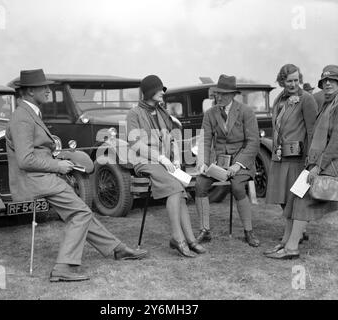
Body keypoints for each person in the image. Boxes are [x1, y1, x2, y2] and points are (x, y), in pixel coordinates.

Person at [6, 69, 147, 282]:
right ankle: (63, 267)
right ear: (28, 91)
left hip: (41, 177)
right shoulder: (23, 118)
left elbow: (35, 151)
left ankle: (117, 249)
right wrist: (58, 165)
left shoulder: (29, 113)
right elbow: (25, 160)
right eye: (43, 87)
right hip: (35, 179)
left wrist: (61, 156)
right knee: (80, 214)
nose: (48, 90)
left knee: (80, 212)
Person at [126, 75, 206, 258]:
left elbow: (172, 138)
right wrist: (161, 157)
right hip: (144, 162)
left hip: (165, 162)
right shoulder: (134, 114)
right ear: (149, 92)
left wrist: (176, 158)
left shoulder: (162, 112)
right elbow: (135, 144)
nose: (163, 92)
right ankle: (178, 239)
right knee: (175, 188)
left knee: (182, 193)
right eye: (159, 89)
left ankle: (191, 239)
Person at [195, 74, 260, 247]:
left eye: (223, 94)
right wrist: (203, 163)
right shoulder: (210, 114)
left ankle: (248, 232)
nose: (219, 97)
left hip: (241, 163)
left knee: (238, 187)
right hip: (218, 164)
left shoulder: (246, 112)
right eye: (217, 93)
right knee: (200, 185)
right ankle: (205, 230)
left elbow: (253, 142)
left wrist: (237, 165)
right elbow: (205, 140)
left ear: (233, 94)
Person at [264, 64, 318, 259]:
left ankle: (290, 242)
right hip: (280, 156)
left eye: (296, 80)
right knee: (285, 200)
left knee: (296, 200)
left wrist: (311, 160)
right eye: (289, 81)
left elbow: (313, 131)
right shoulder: (279, 99)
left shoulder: (307, 99)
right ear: (282, 81)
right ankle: (286, 241)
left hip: (298, 159)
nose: (293, 84)